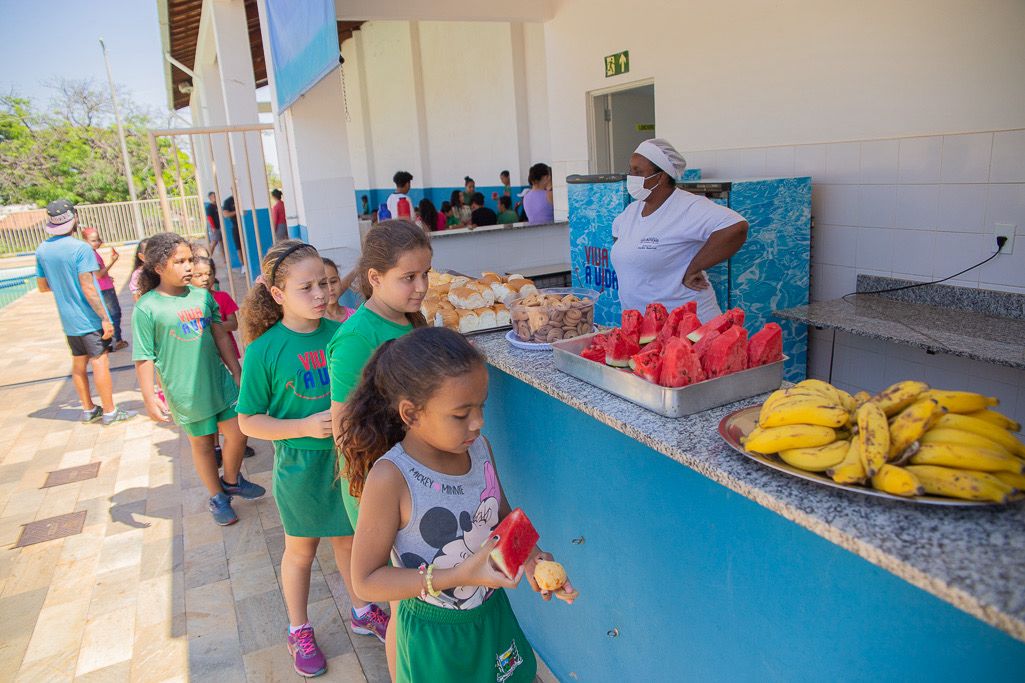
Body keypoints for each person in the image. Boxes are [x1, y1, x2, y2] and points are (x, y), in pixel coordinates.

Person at [340, 327, 577, 683]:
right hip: (434, 637)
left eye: (480, 406)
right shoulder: (391, 478)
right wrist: (457, 576)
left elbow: (503, 519)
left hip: (491, 616)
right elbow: (366, 581)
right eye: (461, 413)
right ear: (411, 414)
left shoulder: (481, 451)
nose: (479, 422)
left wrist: (532, 560)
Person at [236, 241, 373, 677]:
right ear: (277, 295)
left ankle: (362, 609)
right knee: (300, 551)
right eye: (306, 287)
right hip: (300, 467)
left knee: (349, 540)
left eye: (325, 284)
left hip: (347, 459)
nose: (321, 295)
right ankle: (298, 628)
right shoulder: (264, 350)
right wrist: (300, 427)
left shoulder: (343, 335)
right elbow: (248, 422)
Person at [328, 220, 432, 664]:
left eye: (426, 273)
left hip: (418, 478)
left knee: (418, 598)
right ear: (374, 278)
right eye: (409, 277)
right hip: (380, 486)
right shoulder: (356, 339)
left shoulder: (410, 321)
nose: (422, 286)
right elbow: (345, 430)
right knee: (402, 606)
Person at [132, 232, 265, 526]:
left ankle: (231, 480)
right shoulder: (147, 307)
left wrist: (236, 370)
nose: (188, 266)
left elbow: (220, 334)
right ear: (157, 267)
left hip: (219, 381)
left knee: (239, 431)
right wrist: (149, 397)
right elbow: (144, 357)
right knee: (203, 445)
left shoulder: (203, 297)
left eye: (190, 259)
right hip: (185, 392)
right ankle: (218, 497)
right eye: (179, 261)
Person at [611, 138, 748, 322]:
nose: (631, 177)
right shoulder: (631, 211)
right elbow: (619, 239)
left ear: (661, 176)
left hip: (687, 325)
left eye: (638, 171)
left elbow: (736, 227)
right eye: (631, 170)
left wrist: (694, 267)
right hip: (643, 326)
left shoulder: (688, 206)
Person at [34, 199, 135, 426]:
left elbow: (42, 286)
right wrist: (104, 318)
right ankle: (110, 411)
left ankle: (89, 409)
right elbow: (89, 287)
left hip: (69, 321)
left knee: (78, 365)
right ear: (74, 219)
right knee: (100, 362)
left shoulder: (42, 250)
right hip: (89, 319)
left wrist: (62, 285)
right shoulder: (80, 249)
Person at [82, 227, 128, 351]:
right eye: (93, 240)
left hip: (104, 286)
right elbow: (99, 274)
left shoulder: (91, 253)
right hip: (105, 289)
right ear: (85, 241)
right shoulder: (92, 255)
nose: (97, 243)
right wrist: (113, 261)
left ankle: (113, 341)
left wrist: (108, 276)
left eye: (98, 240)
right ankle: (116, 341)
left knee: (112, 314)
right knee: (114, 314)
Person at [322, 257, 356, 324]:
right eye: (323, 284)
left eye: (333, 281)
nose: (330, 288)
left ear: (339, 281)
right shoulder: (314, 322)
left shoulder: (354, 316)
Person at [222, 194, 244, 266]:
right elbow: (225, 214)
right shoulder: (228, 201)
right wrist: (237, 211)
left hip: (246, 226)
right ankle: (243, 265)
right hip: (236, 226)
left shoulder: (243, 197)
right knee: (239, 247)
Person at [129, 238, 150, 302]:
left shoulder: (162, 269)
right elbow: (136, 295)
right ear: (141, 256)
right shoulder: (138, 274)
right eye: (149, 252)